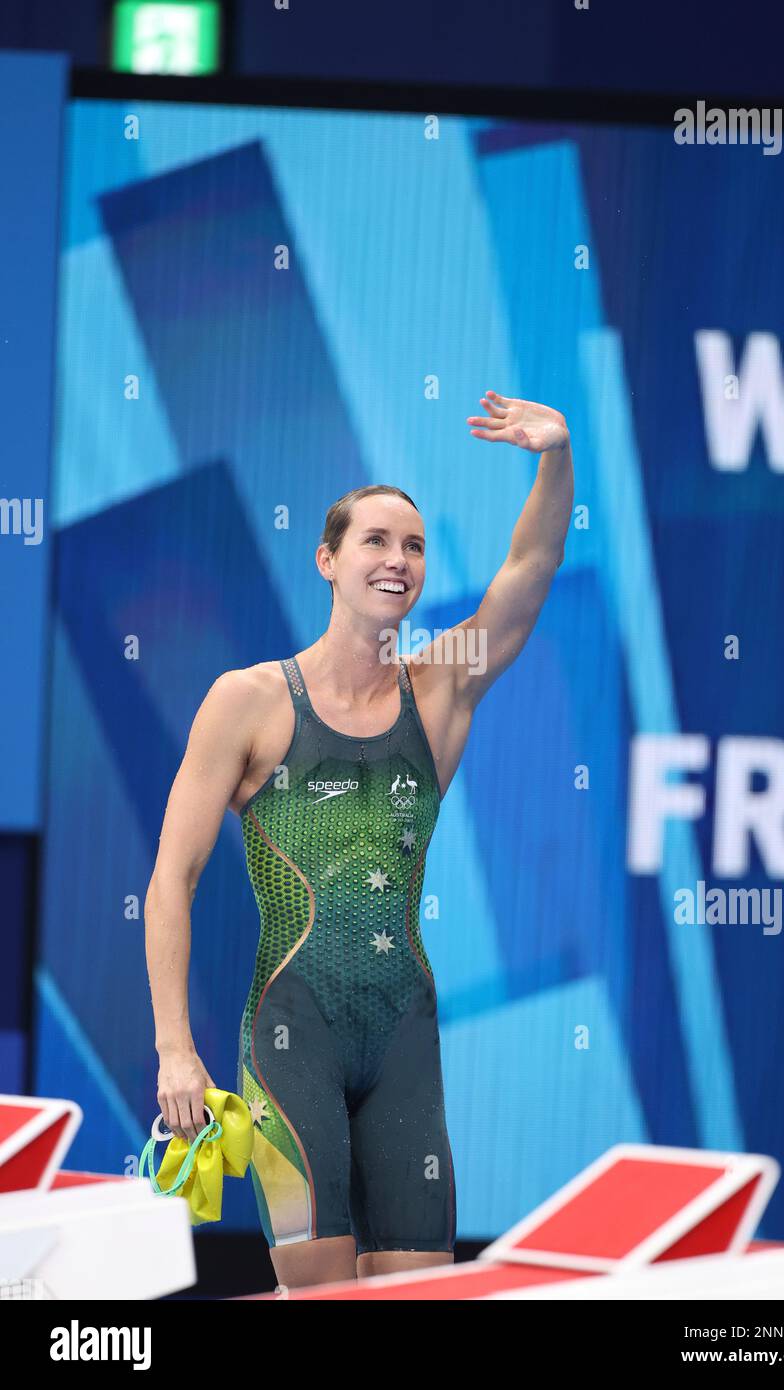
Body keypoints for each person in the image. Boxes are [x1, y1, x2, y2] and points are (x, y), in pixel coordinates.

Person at [144, 390, 574, 1291]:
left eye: (414, 546)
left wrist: (555, 456)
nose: (399, 560)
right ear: (328, 560)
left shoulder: (440, 687)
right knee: (326, 1295)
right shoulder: (249, 701)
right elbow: (172, 880)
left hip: (405, 1040)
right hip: (290, 1036)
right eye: (376, 541)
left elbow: (529, 569)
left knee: (418, 1292)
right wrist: (175, 1048)